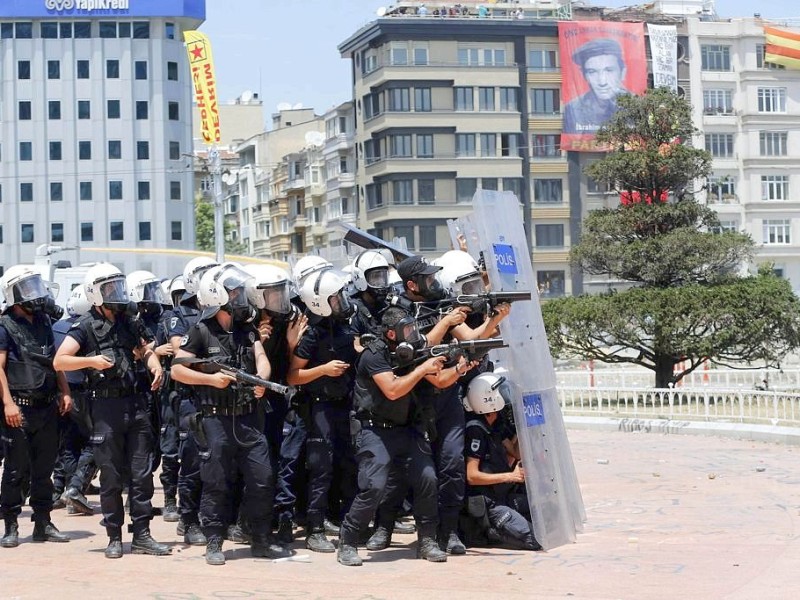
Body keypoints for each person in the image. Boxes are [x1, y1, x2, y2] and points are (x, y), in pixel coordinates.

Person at [170, 263, 289, 566]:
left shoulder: (246, 329)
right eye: (233, 293)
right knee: (216, 482)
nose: (239, 298)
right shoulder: (199, 331)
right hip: (215, 420)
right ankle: (214, 541)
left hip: (249, 417)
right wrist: (210, 379)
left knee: (262, 479)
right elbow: (178, 370)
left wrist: (261, 382)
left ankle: (260, 539)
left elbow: (261, 359)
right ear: (217, 296)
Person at [54, 263, 169, 559]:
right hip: (106, 408)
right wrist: (91, 362)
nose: (116, 293)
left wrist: (154, 365)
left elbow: (145, 349)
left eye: (118, 286)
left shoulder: (130, 319)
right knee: (111, 475)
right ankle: (114, 536)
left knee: (142, 474)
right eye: (109, 288)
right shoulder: (85, 325)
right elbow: (60, 361)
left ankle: (142, 534)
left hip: (136, 404)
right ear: (95, 293)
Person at [337, 307, 448, 567]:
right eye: (406, 330)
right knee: (374, 486)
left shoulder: (409, 348)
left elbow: (431, 347)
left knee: (427, 478)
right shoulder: (373, 355)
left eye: (412, 328)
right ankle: (348, 541)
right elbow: (393, 390)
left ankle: (428, 540)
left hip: (407, 429)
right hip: (375, 430)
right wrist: (423, 369)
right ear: (390, 333)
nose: (412, 334)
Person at [0, 266, 72, 547]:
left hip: (46, 407)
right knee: (16, 470)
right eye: (27, 289)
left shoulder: (43, 322)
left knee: (45, 470)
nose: (35, 294)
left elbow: (55, 361)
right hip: (18, 408)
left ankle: (43, 522)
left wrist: (65, 392)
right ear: (13, 294)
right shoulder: (4, 326)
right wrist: (7, 404)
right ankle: (11, 524)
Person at [288, 269, 358, 553]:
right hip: (319, 409)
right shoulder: (312, 333)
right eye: (335, 297)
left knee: (348, 466)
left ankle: (346, 523)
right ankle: (314, 529)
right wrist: (324, 371)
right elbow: (293, 375)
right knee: (321, 469)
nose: (342, 301)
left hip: (345, 406)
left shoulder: (344, 327)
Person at [462, 372, 541, 551]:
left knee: (546, 511)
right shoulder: (476, 431)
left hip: (503, 497)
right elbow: (472, 476)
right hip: (491, 505)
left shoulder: (494, 427)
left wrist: (525, 424)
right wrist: (510, 476)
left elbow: (516, 453)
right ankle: (490, 531)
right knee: (535, 539)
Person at [563, 38, 631, 135]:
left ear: (623, 72)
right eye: (592, 72)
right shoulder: (573, 109)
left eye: (609, 70)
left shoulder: (637, 105)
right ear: (584, 76)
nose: (602, 81)